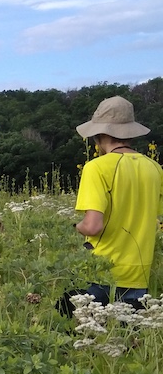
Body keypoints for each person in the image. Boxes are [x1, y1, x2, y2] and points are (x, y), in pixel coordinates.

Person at [58, 95, 163, 316]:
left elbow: (93, 226)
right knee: (127, 340)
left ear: (100, 134)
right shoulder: (154, 168)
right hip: (139, 274)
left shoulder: (96, 168)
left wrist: (75, 227)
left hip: (103, 271)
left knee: (79, 326)